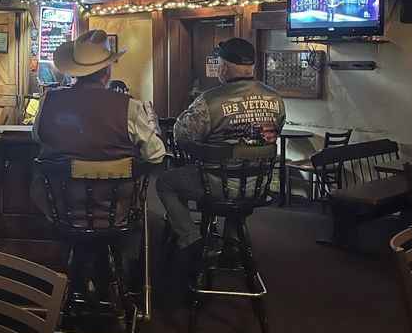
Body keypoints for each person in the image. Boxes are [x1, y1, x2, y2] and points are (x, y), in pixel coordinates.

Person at [156, 37, 285, 257]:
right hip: (258, 185)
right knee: (241, 179)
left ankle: (190, 239)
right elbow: (275, 131)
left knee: (165, 182)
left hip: (217, 183)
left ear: (224, 67)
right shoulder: (275, 99)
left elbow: (181, 136)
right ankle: (232, 241)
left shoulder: (210, 100)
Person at [31, 29, 166, 215]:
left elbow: (37, 137)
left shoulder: (49, 100)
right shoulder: (129, 106)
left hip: (62, 204)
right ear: (108, 71)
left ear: (75, 71)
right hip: (116, 204)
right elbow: (156, 154)